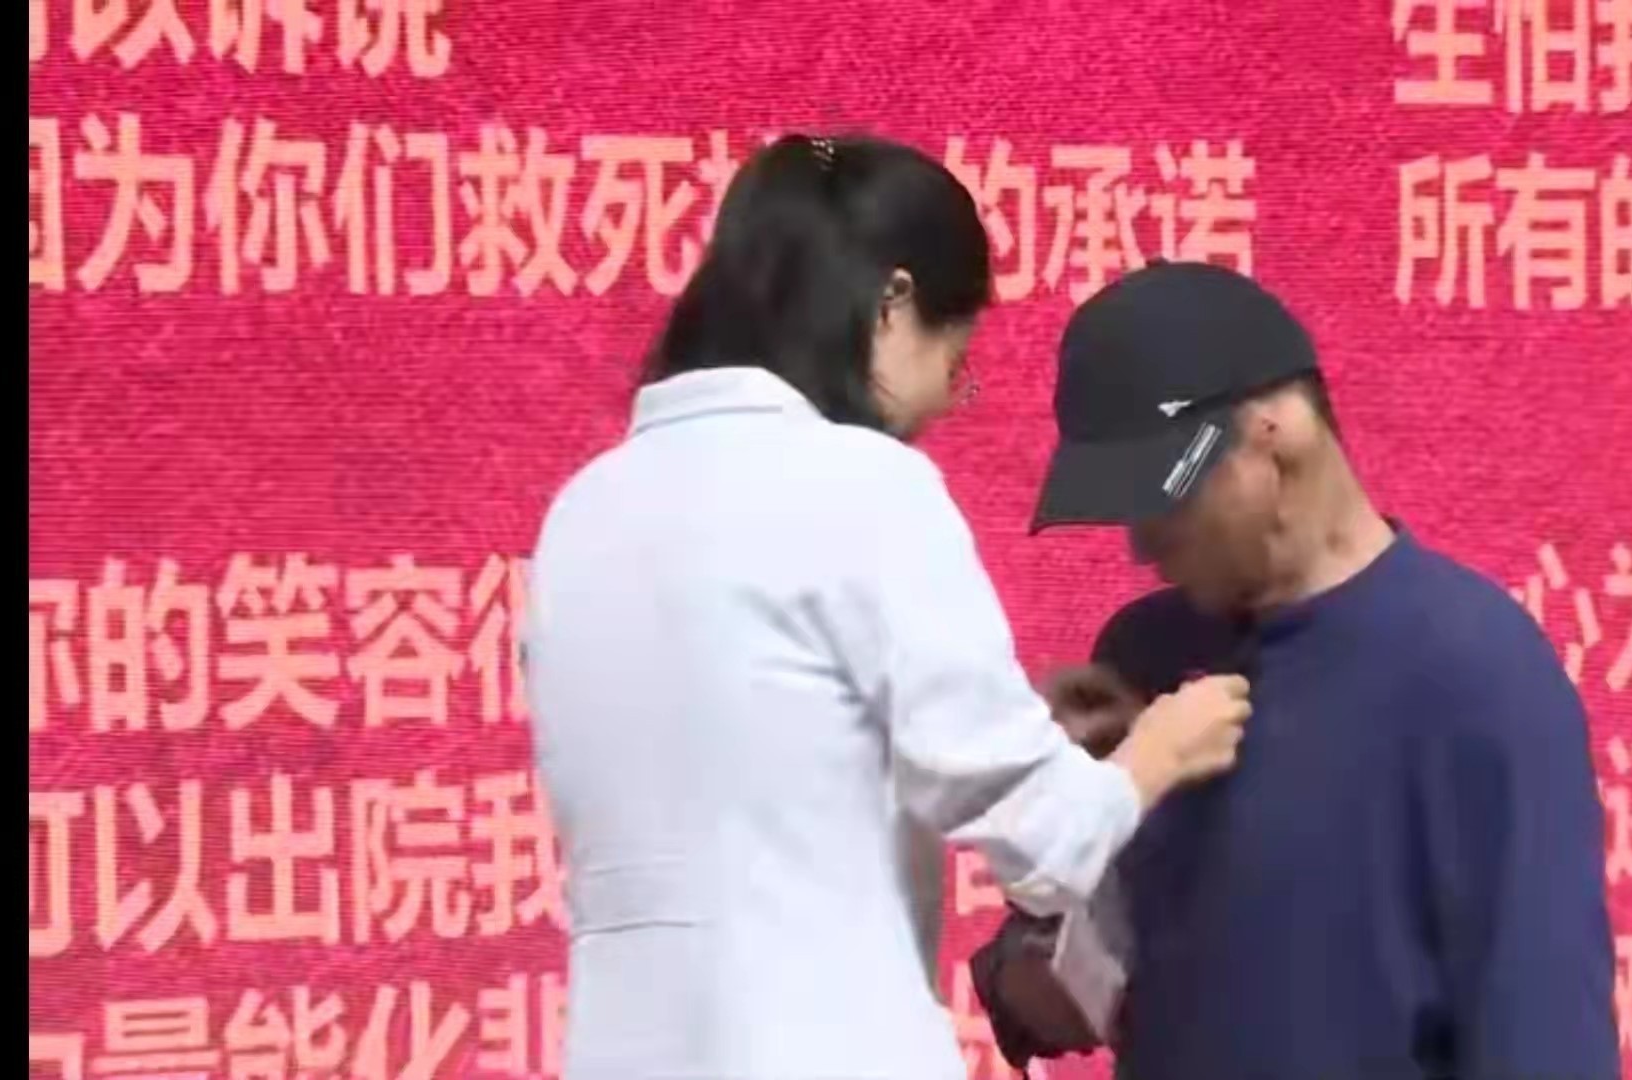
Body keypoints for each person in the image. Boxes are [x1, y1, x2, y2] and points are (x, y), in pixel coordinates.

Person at [523, 136, 1252, 1080]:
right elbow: (1045, 840)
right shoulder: (866, 485)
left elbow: (766, 759)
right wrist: (1160, 749)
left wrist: (1011, 730)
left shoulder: (586, 512)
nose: (948, 397)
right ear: (894, 302)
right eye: (958, 356)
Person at [971, 262, 1621, 1080]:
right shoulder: (1144, 660)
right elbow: (1054, 997)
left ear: (1275, 434)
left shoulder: (1478, 676)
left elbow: (1544, 1037)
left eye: (1166, 496)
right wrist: (1059, 807)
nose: (1143, 542)